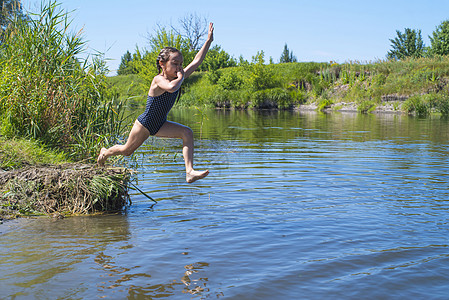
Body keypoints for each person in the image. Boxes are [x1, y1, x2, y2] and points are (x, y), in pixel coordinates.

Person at [97, 23, 214, 184]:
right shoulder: (159, 80)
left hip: (160, 124)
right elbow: (172, 88)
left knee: (187, 133)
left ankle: (189, 172)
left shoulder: (176, 78)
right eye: (175, 63)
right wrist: (181, 76)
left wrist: (208, 41)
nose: (179, 67)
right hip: (145, 124)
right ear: (162, 64)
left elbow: (196, 61)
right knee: (126, 150)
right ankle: (105, 152)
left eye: (180, 64)